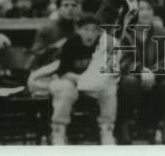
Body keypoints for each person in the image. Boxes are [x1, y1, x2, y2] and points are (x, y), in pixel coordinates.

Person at [117, 0, 165, 144]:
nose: (145, 13)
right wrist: (141, 71)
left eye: (148, 9)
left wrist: (152, 72)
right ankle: (124, 128)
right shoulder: (124, 33)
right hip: (131, 75)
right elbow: (124, 61)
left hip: (155, 75)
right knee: (129, 82)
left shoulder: (161, 31)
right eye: (141, 9)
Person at [48, 15, 119, 145]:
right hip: (71, 82)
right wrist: (84, 80)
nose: (90, 34)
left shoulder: (103, 45)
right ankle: (58, 131)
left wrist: (97, 81)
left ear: (99, 32)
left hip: (93, 85)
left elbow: (110, 71)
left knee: (110, 89)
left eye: (94, 30)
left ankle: (107, 130)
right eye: (86, 29)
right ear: (79, 30)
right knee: (64, 89)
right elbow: (63, 72)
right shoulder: (71, 43)